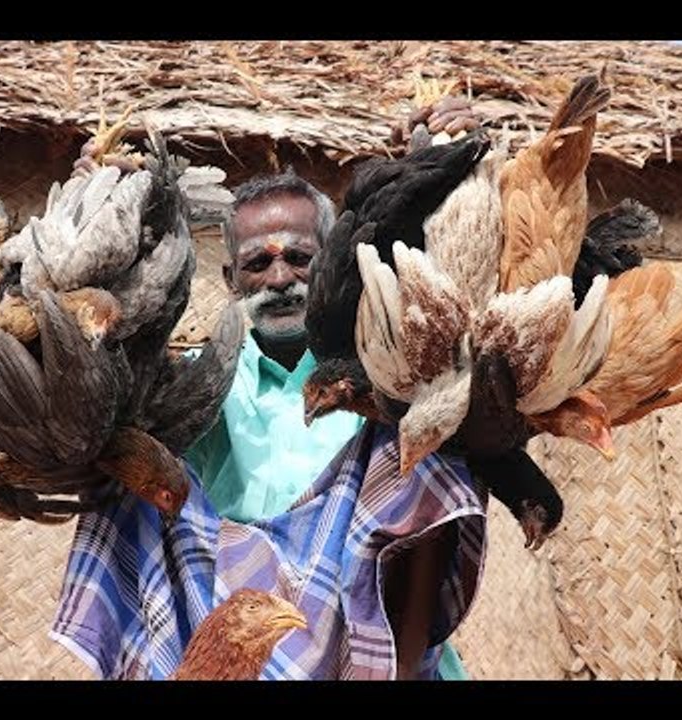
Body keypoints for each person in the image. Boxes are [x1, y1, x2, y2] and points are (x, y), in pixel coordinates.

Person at [51, 98, 486, 681]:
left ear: (334, 263)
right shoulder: (188, 385)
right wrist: (95, 203)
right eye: (257, 263)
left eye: (300, 258)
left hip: (386, 654)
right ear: (230, 280)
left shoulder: (392, 372)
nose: (280, 278)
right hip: (233, 653)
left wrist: (464, 164)